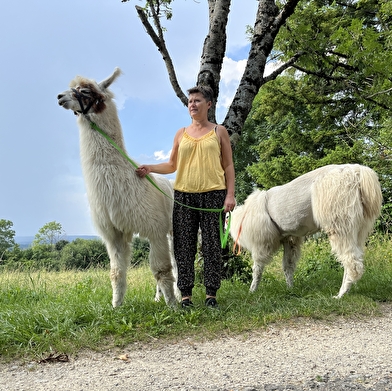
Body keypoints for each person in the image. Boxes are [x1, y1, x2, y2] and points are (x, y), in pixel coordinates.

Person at [136, 85, 235, 308]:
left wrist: (230, 195)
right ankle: (186, 296)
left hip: (213, 196)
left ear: (209, 104)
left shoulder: (219, 132)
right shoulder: (181, 133)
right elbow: (172, 165)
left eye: (197, 100)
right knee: (183, 247)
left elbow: (228, 166)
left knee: (211, 246)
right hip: (183, 197)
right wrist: (150, 168)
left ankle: (211, 295)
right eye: (190, 101)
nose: (192, 104)